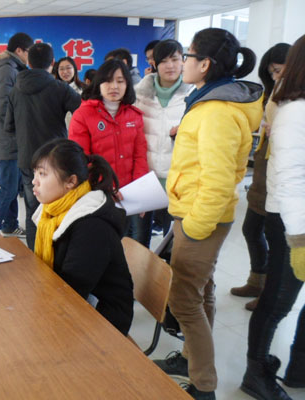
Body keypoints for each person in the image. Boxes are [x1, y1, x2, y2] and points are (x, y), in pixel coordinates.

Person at [152, 28, 262, 400]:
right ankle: (190, 360)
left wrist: (196, 226)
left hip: (201, 217)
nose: (182, 62)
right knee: (202, 291)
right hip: (196, 211)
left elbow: (218, 179)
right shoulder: (208, 101)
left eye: (188, 55)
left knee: (184, 299)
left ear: (205, 64)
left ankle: (203, 385)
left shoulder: (216, 111)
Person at [241, 34, 305, 400]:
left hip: (296, 219)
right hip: (293, 223)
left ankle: (298, 368)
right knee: (278, 301)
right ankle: (256, 373)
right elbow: (291, 180)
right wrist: (299, 240)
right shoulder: (294, 110)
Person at [31, 138, 134, 335]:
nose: (34, 181)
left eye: (42, 174)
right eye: (35, 172)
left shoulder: (92, 227)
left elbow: (72, 291)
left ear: (71, 181)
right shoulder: (53, 211)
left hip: (103, 318)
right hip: (72, 301)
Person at [231, 43, 291, 312]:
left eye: (278, 70)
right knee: (251, 229)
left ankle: (268, 291)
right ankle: (257, 280)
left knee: (273, 237)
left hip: (280, 174)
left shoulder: (296, 98)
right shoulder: (273, 92)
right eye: (271, 72)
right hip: (263, 169)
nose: (275, 76)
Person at [5, 43, 81, 250]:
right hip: (56, 160)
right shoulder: (60, 88)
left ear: (28, 62)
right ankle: (54, 255)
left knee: (32, 210)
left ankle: (34, 255)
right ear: (53, 63)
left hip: (27, 159)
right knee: (57, 208)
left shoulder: (15, 91)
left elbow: (8, 126)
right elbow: (83, 113)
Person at [68, 59, 148, 238]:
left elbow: (140, 156)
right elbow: (81, 159)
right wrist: (107, 187)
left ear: (127, 84)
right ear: (98, 83)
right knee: (100, 240)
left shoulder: (134, 115)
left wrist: (140, 192)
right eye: (108, 81)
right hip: (97, 194)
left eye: (120, 81)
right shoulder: (83, 115)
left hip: (128, 196)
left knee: (127, 240)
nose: (114, 86)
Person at [134, 39, 192, 248]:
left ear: (183, 61)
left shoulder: (193, 95)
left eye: (175, 59)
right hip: (145, 175)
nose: (170, 66)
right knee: (139, 238)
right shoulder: (139, 94)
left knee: (174, 240)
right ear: (155, 64)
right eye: (164, 61)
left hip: (178, 177)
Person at [0, 32, 33, 237]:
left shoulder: (9, 67)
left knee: (11, 186)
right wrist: (22, 124)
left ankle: (10, 224)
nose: (29, 57)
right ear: (19, 50)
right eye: (28, 52)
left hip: (7, 138)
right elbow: (3, 107)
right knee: (7, 189)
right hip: (8, 139)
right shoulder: (8, 70)